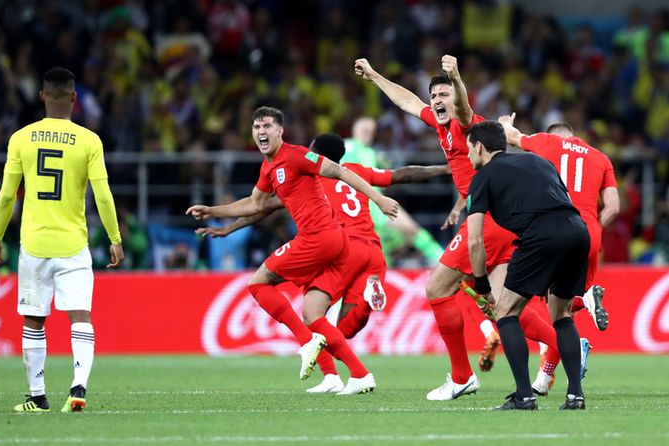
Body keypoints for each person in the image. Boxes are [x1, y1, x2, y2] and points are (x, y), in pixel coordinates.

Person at [355, 55, 562, 400]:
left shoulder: (468, 124)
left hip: (487, 220)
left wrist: (457, 78)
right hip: (503, 220)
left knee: (437, 289)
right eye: (434, 95)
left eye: (443, 95)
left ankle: (461, 376)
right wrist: (376, 75)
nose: (437, 100)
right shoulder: (439, 124)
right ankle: (566, 347)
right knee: (504, 306)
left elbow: (464, 107)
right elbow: (408, 100)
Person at [198, 133, 450, 393]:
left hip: (341, 249)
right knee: (341, 331)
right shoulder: (355, 171)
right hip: (373, 251)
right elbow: (402, 174)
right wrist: (443, 168)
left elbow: (263, 207)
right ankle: (334, 373)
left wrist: (229, 227)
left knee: (313, 315)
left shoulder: (309, 176)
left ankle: (340, 372)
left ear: (314, 152)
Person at [0, 67, 124, 413]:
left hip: (34, 245)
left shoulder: (21, 138)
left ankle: (37, 396)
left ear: (42, 95)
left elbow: (6, 196)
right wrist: (115, 237)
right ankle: (78, 389)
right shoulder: (90, 141)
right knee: (81, 317)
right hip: (74, 246)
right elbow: (103, 196)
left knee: (34, 319)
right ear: (75, 98)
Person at [466, 120, 589, 411]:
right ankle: (575, 395)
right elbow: (563, 198)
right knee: (561, 315)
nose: (469, 155)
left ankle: (524, 395)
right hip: (576, 230)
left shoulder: (483, 176)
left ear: (479, 147)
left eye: (469, 149)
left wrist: (482, 284)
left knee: (506, 311)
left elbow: (474, 241)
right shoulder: (538, 161)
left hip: (540, 234)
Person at [498, 116, 620, 394]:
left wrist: (505, 123)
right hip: (588, 232)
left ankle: (585, 300)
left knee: (536, 307)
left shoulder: (547, 143)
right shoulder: (601, 157)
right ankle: (548, 379)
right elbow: (613, 207)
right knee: (563, 309)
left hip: (552, 228)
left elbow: (511, 136)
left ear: (556, 135)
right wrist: (593, 232)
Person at [343, 117, 445, 266]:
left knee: (403, 233)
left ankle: (440, 261)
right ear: (354, 129)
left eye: (371, 130)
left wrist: (383, 164)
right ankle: (442, 261)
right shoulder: (349, 146)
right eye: (364, 128)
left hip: (377, 202)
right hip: (362, 204)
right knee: (408, 231)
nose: (368, 132)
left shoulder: (371, 152)